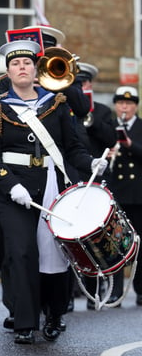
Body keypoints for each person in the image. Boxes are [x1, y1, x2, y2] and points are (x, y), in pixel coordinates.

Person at [0, 39, 104, 344]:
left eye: (26, 63)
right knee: (22, 251)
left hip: (50, 182)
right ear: (7, 72)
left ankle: (54, 314)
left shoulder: (57, 104)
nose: (21, 68)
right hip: (14, 190)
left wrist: (92, 163)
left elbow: (73, 147)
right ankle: (25, 321)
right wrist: (10, 185)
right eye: (15, 64)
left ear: (35, 69)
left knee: (54, 253)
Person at [73, 62, 117, 308]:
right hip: (73, 175)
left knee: (94, 236)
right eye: (76, 84)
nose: (80, 87)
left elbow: (111, 139)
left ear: (89, 85)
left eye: (83, 83)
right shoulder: (66, 107)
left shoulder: (100, 111)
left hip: (95, 178)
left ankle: (94, 289)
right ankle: (69, 293)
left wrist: (91, 120)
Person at [106, 86, 142, 305]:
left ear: (135, 105)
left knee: (139, 243)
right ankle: (115, 291)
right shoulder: (110, 127)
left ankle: (141, 289)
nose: (124, 107)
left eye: (128, 103)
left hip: (138, 194)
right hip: (117, 193)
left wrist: (130, 145)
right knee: (115, 245)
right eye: (120, 103)